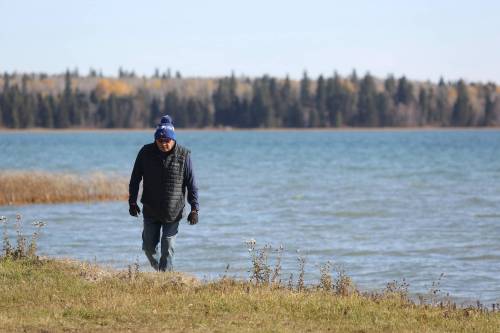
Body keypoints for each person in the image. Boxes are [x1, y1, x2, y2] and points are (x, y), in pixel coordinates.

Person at [128, 115, 199, 272]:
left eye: (167, 140)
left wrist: (195, 209)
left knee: (167, 249)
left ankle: (165, 279)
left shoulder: (184, 155)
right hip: (151, 209)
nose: (163, 144)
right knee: (148, 248)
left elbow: (191, 183)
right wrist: (132, 202)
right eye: (160, 141)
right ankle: (161, 271)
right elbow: (135, 179)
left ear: (173, 139)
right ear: (156, 140)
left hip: (173, 211)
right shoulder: (145, 152)